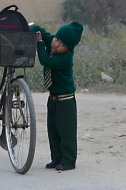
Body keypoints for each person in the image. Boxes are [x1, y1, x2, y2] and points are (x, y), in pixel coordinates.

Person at [30, 21, 83, 171]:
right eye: (56, 39)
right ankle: (56, 158)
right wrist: (30, 30)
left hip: (65, 100)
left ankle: (69, 160)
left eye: (62, 44)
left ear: (68, 49)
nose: (56, 44)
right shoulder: (53, 41)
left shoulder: (65, 58)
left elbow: (46, 61)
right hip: (53, 98)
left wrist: (40, 43)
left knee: (66, 132)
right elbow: (39, 29)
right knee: (53, 130)